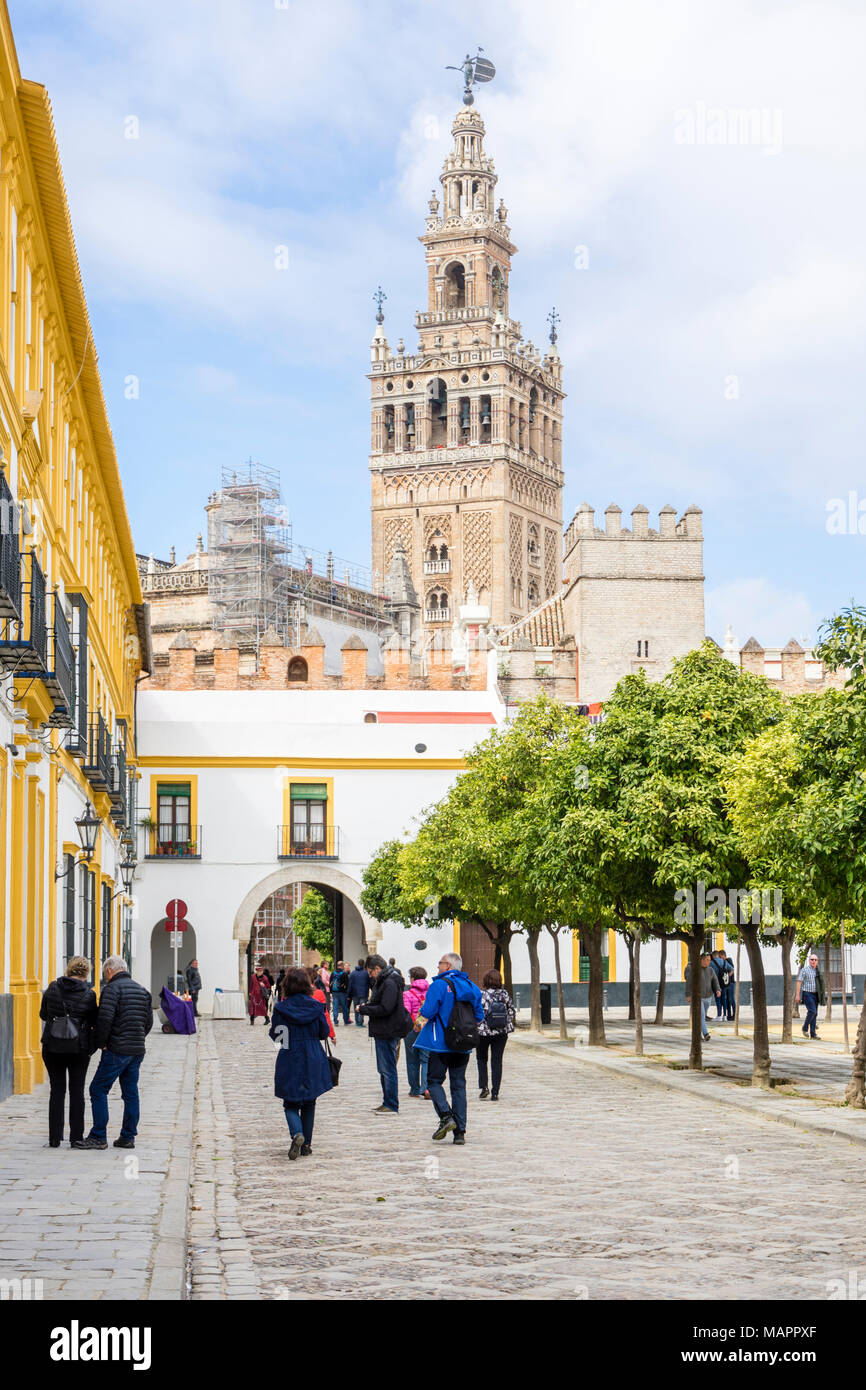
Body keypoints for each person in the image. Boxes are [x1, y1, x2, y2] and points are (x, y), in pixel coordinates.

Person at [74, 955, 153, 1151]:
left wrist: (102, 1044)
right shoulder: (142, 991)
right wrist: (137, 1038)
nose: (105, 977)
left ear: (109, 971)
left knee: (98, 1089)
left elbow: (104, 1020)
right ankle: (128, 1136)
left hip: (117, 1049)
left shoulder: (111, 989)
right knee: (130, 1092)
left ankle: (98, 1135)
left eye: (104, 973)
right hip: (136, 1050)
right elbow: (148, 1022)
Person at [414, 951, 484, 1144]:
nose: (438, 966)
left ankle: (446, 1116)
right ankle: (460, 1133)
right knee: (458, 1086)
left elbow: (428, 1011)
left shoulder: (439, 985)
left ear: (449, 966)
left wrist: (419, 1018)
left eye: (440, 963)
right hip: (464, 1044)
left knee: (434, 1081)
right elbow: (479, 1016)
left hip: (441, 1044)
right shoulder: (473, 987)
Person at [269, 967, 333, 1158]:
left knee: (290, 1102)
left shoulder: (281, 1008)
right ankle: (306, 1145)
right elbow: (324, 1032)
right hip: (313, 1054)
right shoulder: (316, 1006)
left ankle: (297, 1133)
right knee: (309, 1101)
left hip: (290, 1053)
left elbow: (278, 1036)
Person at [39, 956, 98, 1148]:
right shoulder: (89, 995)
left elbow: (43, 1014)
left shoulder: (53, 988)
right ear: (86, 972)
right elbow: (93, 1021)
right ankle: (76, 1137)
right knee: (76, 1091)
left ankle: (54, 1138)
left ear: (68, 969)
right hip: (78, 1048)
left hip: (52, 1046)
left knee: (56, 1090)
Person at [357, 954, 406, 1114]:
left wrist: (365, 1009)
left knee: (387, 1068)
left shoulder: (390, 982)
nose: (370, 976)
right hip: (383, 1029)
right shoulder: (386, 980)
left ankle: (391, 1103)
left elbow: (386, 1007)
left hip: (388, 1029)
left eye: (370, 972)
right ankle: (387, 1101)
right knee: (384, 1068)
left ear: (377, 969)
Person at [476, 969, 515, 1100]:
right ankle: (495, 1092)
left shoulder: (482, 995)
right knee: (497, 1061)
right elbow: (511, 1012)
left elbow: (478, 1014)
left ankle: (484, 1086)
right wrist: (505, 1024)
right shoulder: (505, 994)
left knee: (481, 1059)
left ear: (485, 981)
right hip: (501, 1032)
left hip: (484, 1033)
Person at [403, 967, 430, 1098]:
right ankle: (426, 1089)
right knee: (426, 1059)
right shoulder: (431, 992)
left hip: (412, 1029)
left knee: (412, 1060)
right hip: (427, 1028)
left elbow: (406, 1013)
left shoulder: (407, 994)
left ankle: (414, 1089)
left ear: (412, 979)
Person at [795, 952, 824, 1039]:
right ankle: (804, 1028)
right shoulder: (804, 970)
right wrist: (797, 995)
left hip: (816, 994)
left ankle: (813, 1034)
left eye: (815, 960)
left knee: (815, 1014)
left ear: (817, 961)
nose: (813, 961)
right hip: (807, 994)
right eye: (812, 959)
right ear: (809, 960)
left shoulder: (817, 971)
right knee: (812, 1011)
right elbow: (799, 982)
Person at [305, 966, 335, 1040]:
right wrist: (331, 1035)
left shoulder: (294, 993)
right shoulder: (319, 993)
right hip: (313, 1031)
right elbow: (325, 1014)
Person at [698, 952, 721, 1040]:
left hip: (708, 997)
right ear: (702, 960)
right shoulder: (696, 970)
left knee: (701, 1017)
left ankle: (697, 1033)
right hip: (699, 997)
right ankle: (706, 1033)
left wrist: (718, 989)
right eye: (707, 960)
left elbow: (715, 980)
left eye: (709, 960)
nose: (709, 962)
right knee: (702, 1016)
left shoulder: (711, 970)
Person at [347, 958, 369, 1026]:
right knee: (362, 1008)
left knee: (356, 1007)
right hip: (363, 993)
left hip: (355, 993)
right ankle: (360, 1021)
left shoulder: (353, 973)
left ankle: (357, 1021)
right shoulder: (366, 973)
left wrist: (348, 994)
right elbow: (368, 983)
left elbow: (350, 985)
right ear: (364, 964)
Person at [330, 960, 350, 1027]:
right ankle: (346, 1021)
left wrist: (331, 992)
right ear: (342, 966)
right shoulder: (344, 974)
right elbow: (347, 984)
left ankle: (335, 1021)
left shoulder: (333, 973)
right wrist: (346, 992)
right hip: (342, 993)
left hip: (334, 992)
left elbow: (330, 983)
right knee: (344, 1007)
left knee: (335, 1007)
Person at [720, 952, 736, 1021]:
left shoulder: (728, 960)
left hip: (731, 983)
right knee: (727, 999)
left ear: (724, 955)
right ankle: (729, 1015)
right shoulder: (723, 962)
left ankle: (735, 1014)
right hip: (725, 983)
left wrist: (728, 976)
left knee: (731, 999)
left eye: (721, 957)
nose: (720, 958)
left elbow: (732, 969)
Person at [710, 951, 726, 1018]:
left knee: (718, 999)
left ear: (713, 956)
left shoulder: (711, 963)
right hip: (724, 983)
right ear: (718, 955)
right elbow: (731, 969)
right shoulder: (724, 961)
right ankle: (725, 1016)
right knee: (724, 999)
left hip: (716, 983)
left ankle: (719, 1015)